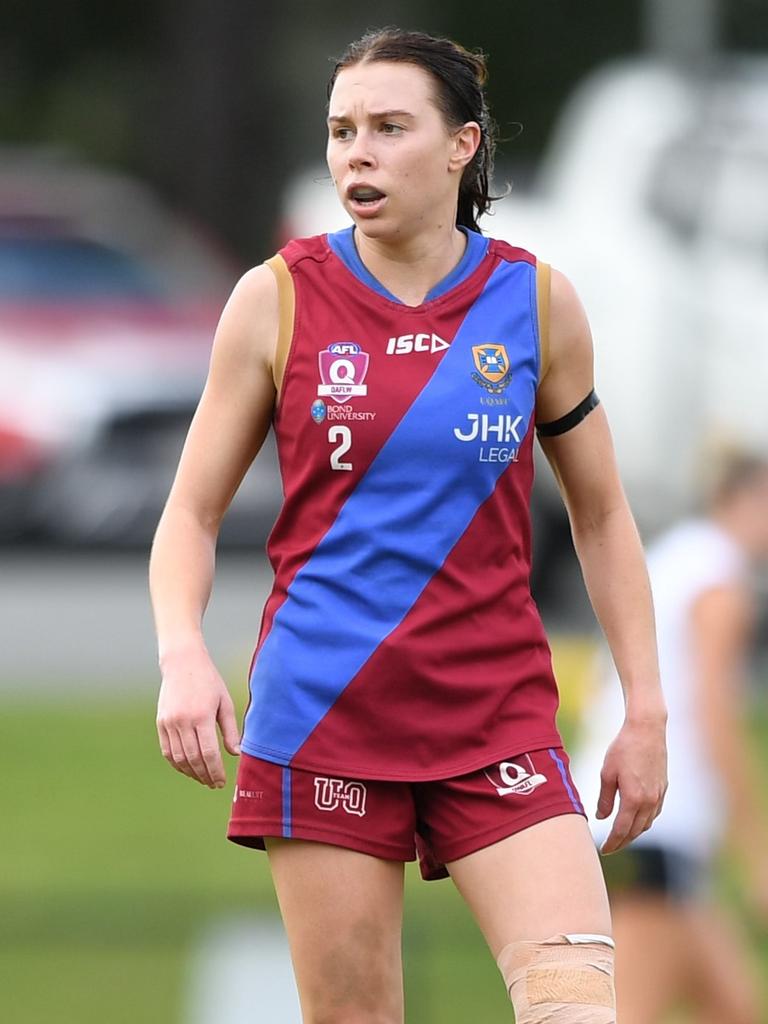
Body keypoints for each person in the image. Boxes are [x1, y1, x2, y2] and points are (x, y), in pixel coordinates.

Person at [149, 28, 667, 1023]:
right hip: (327, 711)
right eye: (343, 130)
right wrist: (183, 652)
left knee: (576, 1004)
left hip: (497, 715)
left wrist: (644, 707)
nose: (358, 152)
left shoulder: (537, 303)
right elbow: (191, 512)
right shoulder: (277, 298)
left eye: (390, 128)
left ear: (462, 146)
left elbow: (601, 516)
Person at [572, 450, 768, 1024]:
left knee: (734, 1007)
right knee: (629, 1011)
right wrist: (756, 852)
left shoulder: (674, 558)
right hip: (654, 826)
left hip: (627, 815)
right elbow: (714, 716)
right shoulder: (720, 584)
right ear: (747, 500)